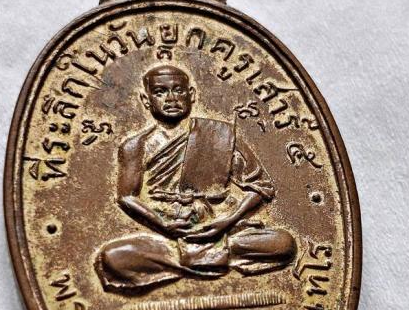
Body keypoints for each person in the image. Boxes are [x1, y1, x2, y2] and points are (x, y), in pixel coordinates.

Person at [95, 64, 296, 291]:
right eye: (160, 92)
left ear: (190, 95)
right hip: (167, 236)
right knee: (112, 258)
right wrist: (164, 225)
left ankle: (197, 261)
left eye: (178, 90)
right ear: (146, 99)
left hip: (219, 230)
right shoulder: (135, 146)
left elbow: (260, 186)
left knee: (283, 244)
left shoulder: (221, 134)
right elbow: (127, 197)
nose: (171, 98)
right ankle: (206, 261)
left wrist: (227, 221)